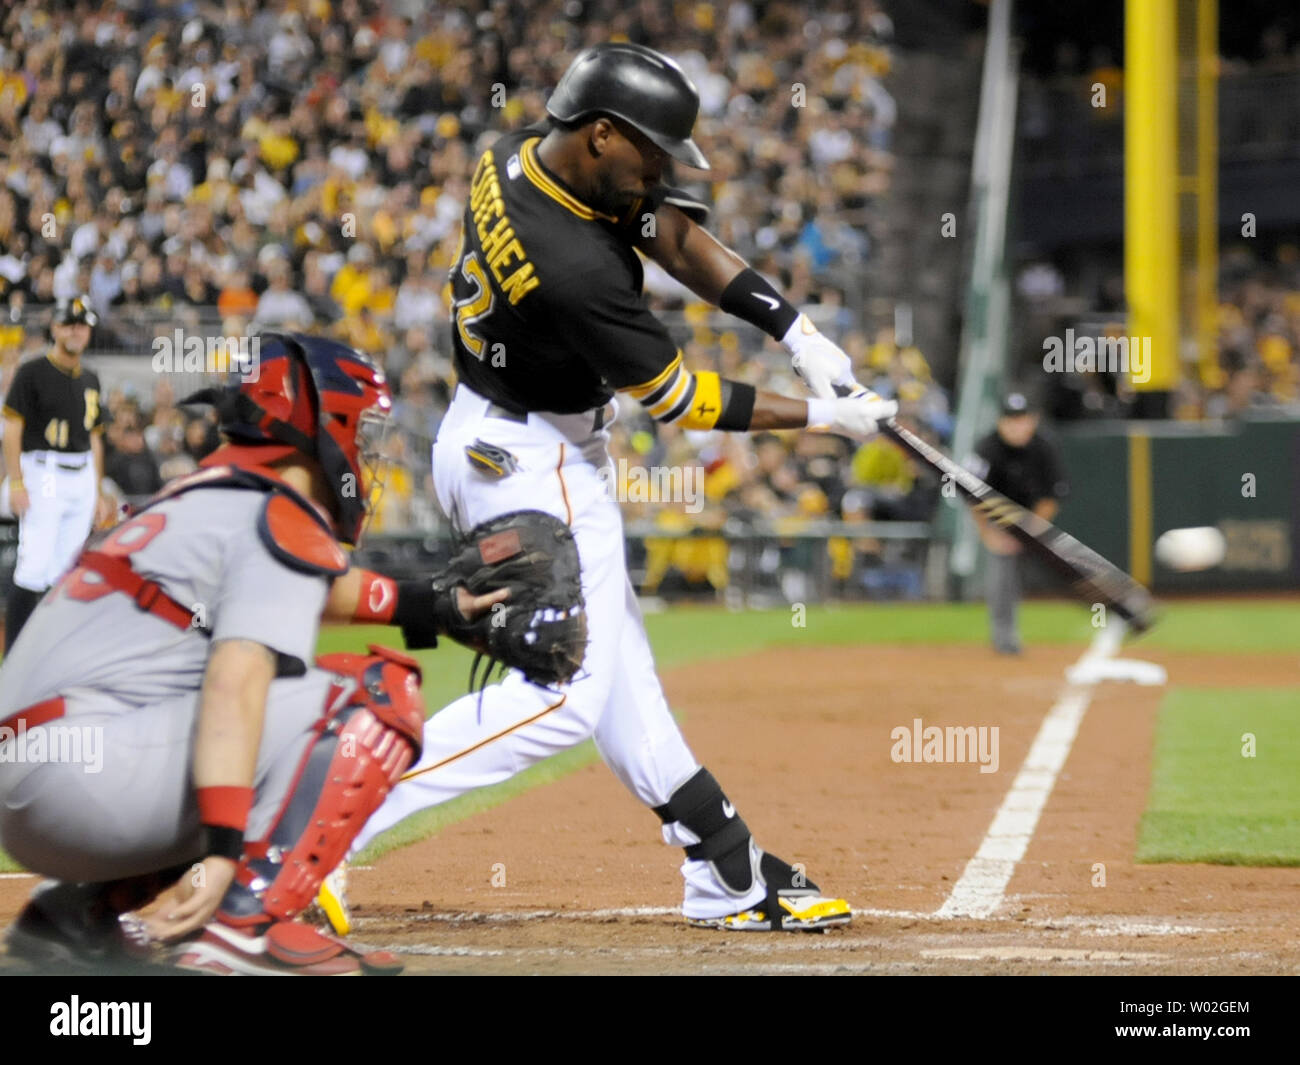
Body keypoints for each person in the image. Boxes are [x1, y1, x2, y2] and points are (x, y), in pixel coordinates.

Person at [349, 43, 897, 932]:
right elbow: (681, 397)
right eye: (651, 153)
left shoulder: (522, 153)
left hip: (504, 433)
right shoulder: (571, 264)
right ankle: (327, 821)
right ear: (602, 136)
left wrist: (795, 330)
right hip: (528, 457)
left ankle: (724, 863)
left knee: (620, 674)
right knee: (566, 691)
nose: (662, 172)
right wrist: (828, 420)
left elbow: (671, 233)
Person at [0, 333, 520, 974]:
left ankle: (76, 918)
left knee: (275, 708)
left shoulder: (205, 497)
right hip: (87, 784)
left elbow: (311, 587)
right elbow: (235, 680)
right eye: (362, 429)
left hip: (43, 779)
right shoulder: (275, 511)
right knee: (373, 694)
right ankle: (242, 929)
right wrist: (223, 852)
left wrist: (434, 606)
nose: (366, 451)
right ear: (319, 424)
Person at [1, 297, 115, 650]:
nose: (76, 331)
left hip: (80, 472)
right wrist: (16, 481)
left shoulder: (91, 377)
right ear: (55, 328)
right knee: (33, 567)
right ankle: (17, 655)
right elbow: (13, 430)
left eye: (82, 325)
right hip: (43, 470)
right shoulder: (33, 371)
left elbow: (95, 437)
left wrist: (96, 490)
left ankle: (53, 652)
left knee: (66, 571)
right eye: (69, 324)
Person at [968, 392, 1070, 655]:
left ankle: (1103, 611)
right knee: (1002, 573)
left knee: (1067, 566)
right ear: (1000, 422)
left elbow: (1052, 496)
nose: (1016, 426)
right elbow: (972, 496)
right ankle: (1004, 637)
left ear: (1033, 420)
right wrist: (989, 535)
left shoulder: (1044, 445)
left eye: (1022, 420)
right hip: (998, 517)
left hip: (1034, 516)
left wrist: (1029, 531)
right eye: (1010, 420)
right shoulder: (986, 448)